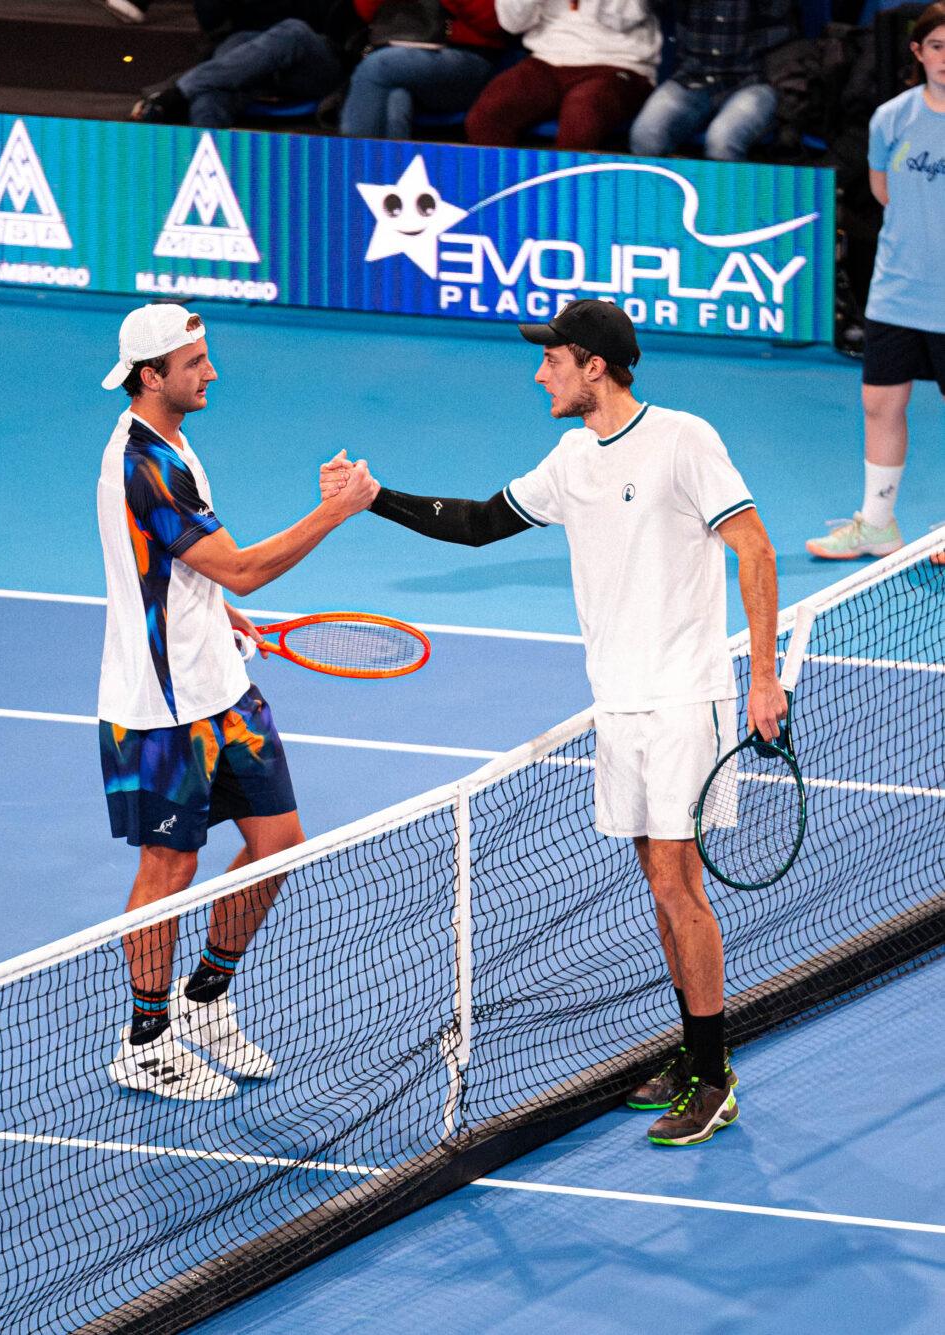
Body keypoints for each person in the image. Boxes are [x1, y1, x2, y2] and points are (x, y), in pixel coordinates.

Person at [321, 299, 786, 1146]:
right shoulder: (573, 460)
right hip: (619, 704)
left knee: (678, 887)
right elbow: (478, 524)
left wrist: (763, 677)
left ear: (594, 367)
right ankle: (695, 1053)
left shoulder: (684, 440)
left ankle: (715, 1078)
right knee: (659, 887)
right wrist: (373, 497)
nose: (541, 374)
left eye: (553, 359)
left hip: (684, 700)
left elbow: (755, 547)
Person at [98, 303, 377, 1100]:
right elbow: (245, 567)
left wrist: (212, 607)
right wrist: (334, 513)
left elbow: (184, 562)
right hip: (161, 710)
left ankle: (206, 996)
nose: (211, 372)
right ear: (151, 376)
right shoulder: (143, 466)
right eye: (194, 363)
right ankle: (146, 1040)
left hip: (223, 687)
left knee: (279, 844)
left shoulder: (176, 445)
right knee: (170, 865)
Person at [806, 2, 945, 561]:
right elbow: (883, 192)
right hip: (896, 293)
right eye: (937, 46)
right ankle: (878, 525)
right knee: (880, 405)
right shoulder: (891, 118)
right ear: (918, 52)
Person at [465, 0, 660, 152]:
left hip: (619, 62)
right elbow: (512, 24)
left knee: (581, 116)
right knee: (488, 114)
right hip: (547, 57)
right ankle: (504, 190)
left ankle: (565, 191)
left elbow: (622, 19)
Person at [130, 2, 361, 128]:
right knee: (211, 89)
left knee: (293, 32)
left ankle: (178, 91)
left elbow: (345, 23)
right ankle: (207, 165)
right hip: (248, 52)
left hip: (315, 55)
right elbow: (211, 21)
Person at [628, 0, 794, 162]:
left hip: (756, 79)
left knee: (722, 141)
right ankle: (667, 181)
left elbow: (779, 11)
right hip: (693, 77)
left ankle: (728, 183)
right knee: (646, 134)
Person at [340, 0, 505, 140]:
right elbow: (367, 13)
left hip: (470, 60)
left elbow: (496, 22)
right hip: (402, 52)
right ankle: (389, 166)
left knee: (378, 67)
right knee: (396, 98)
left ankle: (351, 163)